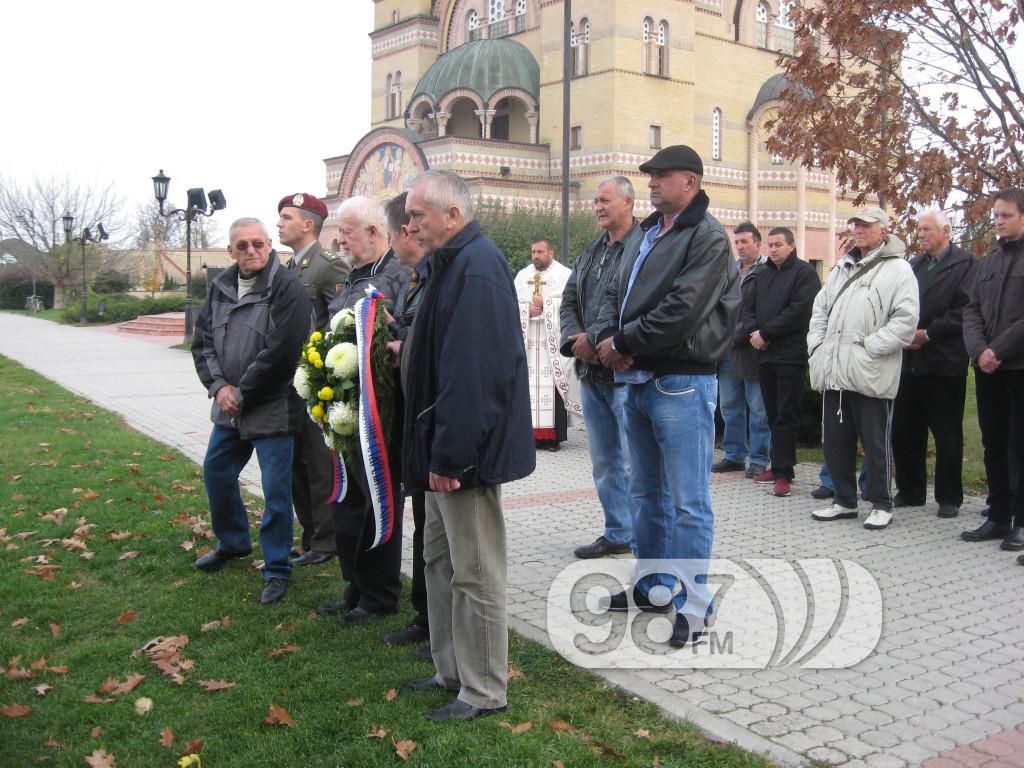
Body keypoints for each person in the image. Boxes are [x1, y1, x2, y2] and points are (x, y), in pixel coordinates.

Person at [400, 170, 534, 722]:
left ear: (451, 216)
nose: (409, 226)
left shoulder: (477, 267)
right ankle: (450, 670)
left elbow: (475, 372)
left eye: (417, 216)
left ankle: (483, 691)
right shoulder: (448, 264)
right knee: (437, 560)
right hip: (438, 448)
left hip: (462, 457)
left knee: (474, 571)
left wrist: (453, 456)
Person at [594, 145, 740, 647]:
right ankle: (653, 586)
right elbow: (613, 292)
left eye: (662, 175)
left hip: (681, 381)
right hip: (636, 379)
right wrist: (607, 341)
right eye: (650, 176)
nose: (652, 183)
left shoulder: (708, 237)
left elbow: (684, 309)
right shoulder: (648, 233)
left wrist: (624, 342)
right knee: (645, 494)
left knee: (688, 503)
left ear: (691, 183)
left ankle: (695, 606)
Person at [191, 218, 313, 604]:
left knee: (276, 490)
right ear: (230, 251)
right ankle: (233, 541)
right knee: (217, 471)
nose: (251, 251)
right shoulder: (221, 286)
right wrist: (218, 387)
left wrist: (241, 392)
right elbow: (204, 342)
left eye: (258, 243)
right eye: (241, 245)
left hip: (273, 405)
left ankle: (277, 567)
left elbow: (282, 352)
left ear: (270, 246)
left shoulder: (287, 288)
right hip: (229, 405)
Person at [319, 196, 410, 626]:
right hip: (347, 411)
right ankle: (355, 584)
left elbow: (399, 333)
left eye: (346, 231)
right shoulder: (351, 276)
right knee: (350, 503)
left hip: (381, 414)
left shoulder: (399, 275)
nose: (338, 239)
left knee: (377, 502)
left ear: (374, 233)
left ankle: (379, 594)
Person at [807, 206, 919, 530]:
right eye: (855, 224)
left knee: (875, 444)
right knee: (835, 441)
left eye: (866, 225)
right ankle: (843, 500)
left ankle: (881, 503)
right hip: (834, 370)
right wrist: (817, 345)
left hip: (870, 372)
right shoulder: (841, 267)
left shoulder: (898, 270)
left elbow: (905, 322)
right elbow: (820, 310)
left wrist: (870, 348)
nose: (858, 229)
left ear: (883, 230)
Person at [560, 176, 641, 559]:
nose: (598, 207)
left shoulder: (643, 247)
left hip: (626, 375)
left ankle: (645, 535)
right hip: (591, 375)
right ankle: (618, 531)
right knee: (605, 462)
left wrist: (596, 342)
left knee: (635, 462)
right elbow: (567, 302)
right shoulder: (592, 250)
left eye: (605, 200)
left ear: (628, 201)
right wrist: (576, 338)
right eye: (595, 201)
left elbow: (637, 306)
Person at [277, 193, 350, 568]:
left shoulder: (327, 266)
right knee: (297, 466)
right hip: (290, 383)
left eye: (286, 217)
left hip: (315, 382)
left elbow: (340, 321)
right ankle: (308, 536)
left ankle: (326, 539)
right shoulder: (291, 268)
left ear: (308, 225)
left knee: (319, 464)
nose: (279, 223)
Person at [891, 209, 976, 518]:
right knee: (905, 430)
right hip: (910, 361)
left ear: (946, 231)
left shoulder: (965, 264)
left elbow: (966, 309)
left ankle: (949, 497)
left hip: (944, 362)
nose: (921, 234)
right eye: (919, 229)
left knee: (946, 433)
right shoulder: (914, 265)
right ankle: (910, 490)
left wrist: (929, 333)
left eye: (927, 229)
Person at [379, 192, 431, 656]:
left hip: (433, 421)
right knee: (425, 526)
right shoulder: (417, 278)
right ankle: (424, 615)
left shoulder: (434, 277)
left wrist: (402, 337)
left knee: (437, 534)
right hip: (415, 414)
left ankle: (433, 621)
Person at [961, 188, 1024, 551]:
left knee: (1020, 445)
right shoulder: (989, 261)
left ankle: (1021, 520)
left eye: (1006, 215)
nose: (998, 221)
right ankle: (998, 514)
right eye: (996, 215)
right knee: (994, 444)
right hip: (987, 369)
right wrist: (979, 349)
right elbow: (972, 309)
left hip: (1018, 366)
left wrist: (996, 349)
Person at [742, 226, 821, 497]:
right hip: (764, 355)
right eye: (770, 245)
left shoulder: (805, 274)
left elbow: (799, 312)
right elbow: (748, 307)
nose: (773, 250)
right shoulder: (762, 274)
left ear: (791, 245)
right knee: (772, 413)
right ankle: (777, 465)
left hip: (790, 354)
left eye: (778, 245)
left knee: (787, 414)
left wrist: (767, 333)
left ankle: (784, 473)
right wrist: (754, 332)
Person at [714, 222, 771, 479]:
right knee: (729, 404)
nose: (740, 247)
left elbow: (766, 310)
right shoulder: (730, 271)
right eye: (736, 242)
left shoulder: (768, 270)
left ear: (758, 243)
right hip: (727, 349)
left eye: (745, 242)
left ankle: (759, 458)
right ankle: (734, 455)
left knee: (758, 407)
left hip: (753, 347)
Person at [514, 238, 573, 451]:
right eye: (533, 252)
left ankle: (552, 437)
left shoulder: (564, 275)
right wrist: (526, 310)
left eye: (540, 252)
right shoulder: (523, 276)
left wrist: (547, 304)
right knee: (527, 386)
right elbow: (513, 303)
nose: (536, 256)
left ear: (551, 253)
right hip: (529, 339)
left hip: (551, 341)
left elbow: (570, 304)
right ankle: (527, 434)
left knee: (552, 383)